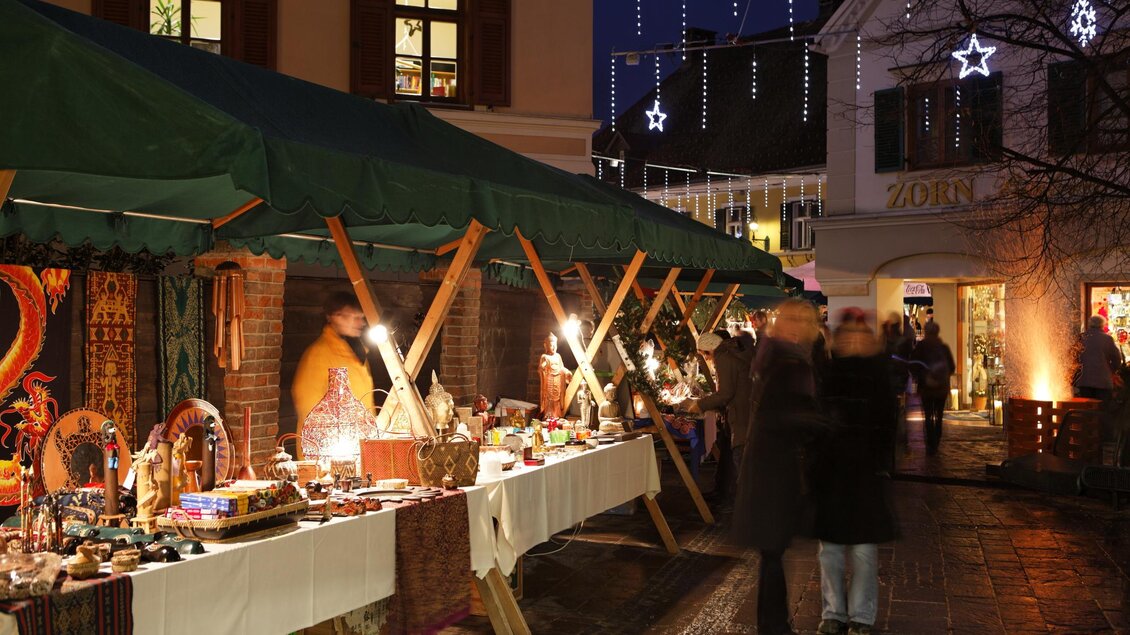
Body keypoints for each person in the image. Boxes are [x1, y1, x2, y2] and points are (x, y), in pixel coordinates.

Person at [731, 299, 827, 635]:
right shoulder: (789, 362)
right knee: (773, 553)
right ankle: (774, 627)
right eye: (799, 321)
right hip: (776, 472)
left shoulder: (771, 356)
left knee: (772, 554)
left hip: (767, 470)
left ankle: (773, 624)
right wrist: (820, 423)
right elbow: (787, 417)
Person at [814, 310, 899, 635]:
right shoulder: (827, 371)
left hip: (865, 475)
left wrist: (883, 468)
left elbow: (887, 428)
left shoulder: (878, 374)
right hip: (832, 474)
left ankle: (861, 616)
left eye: (859, 334)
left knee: (863, 551)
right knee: (831, 552)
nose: (852, 340)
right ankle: (833, 613)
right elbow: (817, 418)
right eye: (847, 334)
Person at [292, 292, 375, 457]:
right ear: (335, 317)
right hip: (330, 450)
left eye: (362, 318)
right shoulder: (318, 354)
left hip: (361, 446)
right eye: (354, 317)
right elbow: (308, 405)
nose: (361, 323)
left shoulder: (357, 353)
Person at [686, 330, 754, 502]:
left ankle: (745, 505)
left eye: (704, 354)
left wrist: (700, 405)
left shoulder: (724, 358)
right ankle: (735, 496)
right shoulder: (731, 353)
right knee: (735, 456)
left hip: (740, 415)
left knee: (741, 459)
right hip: (743, 412)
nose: (706, 358)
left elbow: (725, 393)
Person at [910, 322, 955, 455]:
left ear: (926, 332)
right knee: (939, 415)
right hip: (941, 388)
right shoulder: (944, 347)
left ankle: (930, 443)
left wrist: (919, 377)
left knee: (928, 415)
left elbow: (913, 365)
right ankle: (937, 440)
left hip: (926, 388)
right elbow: (951, 367)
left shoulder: (921, 347)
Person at [1075, 315, 1121, 402]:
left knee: (1086, 408)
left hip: (1084, 379)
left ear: (1089, 324)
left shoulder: (1082, 337)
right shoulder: (1107, 339)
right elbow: (1117, 358)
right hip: (1103, 380)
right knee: (1102, 408)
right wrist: (1112, 371)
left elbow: (1074, 355)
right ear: (1102, 325)